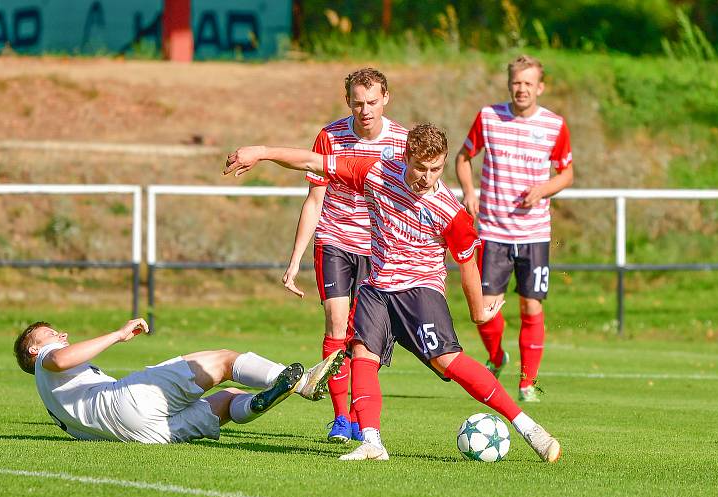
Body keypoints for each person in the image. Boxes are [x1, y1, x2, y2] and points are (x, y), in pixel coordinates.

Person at [224, 123, 562, 463]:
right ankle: (372, 442)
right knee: (363, 355)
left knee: (448, 362)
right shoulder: (375, 172)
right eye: (420, 167)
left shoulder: (451, 213)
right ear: (405, 157)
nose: (426, 178)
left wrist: (478, 312)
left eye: (435, 169)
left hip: (419, 290)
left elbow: (468, 265)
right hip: (377, 287)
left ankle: (528, 427)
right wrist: (262, 152)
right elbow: (315, 162)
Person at [282, 67, 408, 443]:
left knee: (363, 338)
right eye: (357, 103)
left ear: (386, 97)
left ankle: (358, 415)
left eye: (371, 102)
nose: (365, 110)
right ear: (348, 101)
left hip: (379, 247)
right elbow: (315, 200)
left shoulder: (402, 142)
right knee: (336, 325)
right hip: (334, 241)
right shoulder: (330, 136)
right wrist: (294, 263)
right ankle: (340, 419)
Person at [13, 318, 344, 444]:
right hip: (126, 401)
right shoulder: (46, 358)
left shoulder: (53, 405)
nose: (62, 334)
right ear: (34, 346)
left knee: (228, 400)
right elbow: (59, 358)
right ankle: (304, 384)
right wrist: (117, 333)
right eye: (52, 333)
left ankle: (260, 400)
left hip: (141, 436)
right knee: (224, 360)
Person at [455, 55, 574, 402]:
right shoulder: (489, 117)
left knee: (531, 307)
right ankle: (496, 357)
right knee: (484, 310)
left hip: (534, 233)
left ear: (540, 87)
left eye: (528, 83)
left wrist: (543, 189)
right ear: (510, 85)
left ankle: (526, 383)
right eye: (516, 83)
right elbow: (464, 157)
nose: (521, 89)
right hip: (493, 232)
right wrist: (469, 192)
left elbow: (566, 173)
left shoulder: (554, 125)